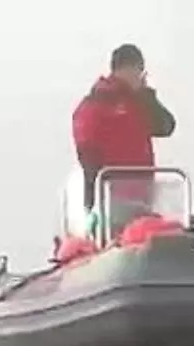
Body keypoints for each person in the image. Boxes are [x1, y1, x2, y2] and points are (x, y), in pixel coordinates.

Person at [71, 43, 176, 234]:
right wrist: (94, 192)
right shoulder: (97, 103)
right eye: (138, 71)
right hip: (112, 199)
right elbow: (86, 148)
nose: (140, 76)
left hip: (142, 198)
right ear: (127, 69)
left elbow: (166, 126)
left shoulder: (139, 104)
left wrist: (148, 96)